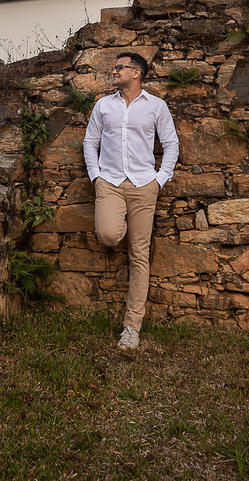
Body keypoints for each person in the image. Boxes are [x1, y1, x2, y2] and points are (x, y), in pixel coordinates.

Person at [82, 52, 179, 349]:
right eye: (114, 67)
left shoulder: (156, 107)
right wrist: (96, 176)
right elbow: (90, 142)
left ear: (136, 73)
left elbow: (171, 143)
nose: (114, 71)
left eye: (119, 67)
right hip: (109, 182)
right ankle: (119, 218)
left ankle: (131, 327)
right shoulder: (103, 106)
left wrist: (159, 179)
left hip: (143, 185)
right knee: (109, 234)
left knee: (139, 254)